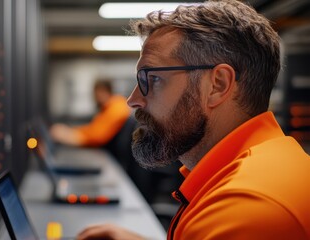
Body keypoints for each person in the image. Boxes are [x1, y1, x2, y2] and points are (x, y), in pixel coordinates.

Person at [77, 0, 310, 239]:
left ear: (217, 85)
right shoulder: (263, 167)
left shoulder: (245, 207)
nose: (133, 100)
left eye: (153, 78)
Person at [50, 79, 131, 147]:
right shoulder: (108, 107)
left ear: (105, 91)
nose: (95, 96)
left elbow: (98, 137)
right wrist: (70, 131)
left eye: (97, 92)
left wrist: (71, 137)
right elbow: (94, 128)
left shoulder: (117, 107)